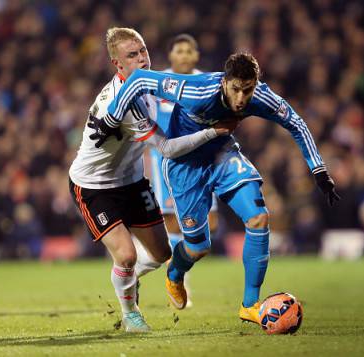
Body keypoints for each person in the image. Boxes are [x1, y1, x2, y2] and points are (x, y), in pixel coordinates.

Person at [89, 52, 340, 324]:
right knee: (198, 247)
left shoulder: (259, 97)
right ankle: (175, 273)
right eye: (236, 89)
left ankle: (250, 305)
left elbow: (296, 123)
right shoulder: (195, 89)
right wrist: (110, 120)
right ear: (225, 82)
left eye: (248, 90)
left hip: (222, 155)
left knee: (259, 217)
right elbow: (138, 80)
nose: (242, 98)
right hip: (184, 166)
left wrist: (319, 170)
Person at [68, 27, 236, 332]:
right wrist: (215, 131)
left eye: (143, 50)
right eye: (132, 55)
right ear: (118, 65)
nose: (142, 59)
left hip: (132, 181)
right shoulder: (123, 102)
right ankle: (130, 313)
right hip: (94, 185)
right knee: (127, 255)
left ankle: (127, 281)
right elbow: (168, 149)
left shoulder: (147, 83)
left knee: (162, 254)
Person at [147, 34, 218, 307]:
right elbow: (146, 119)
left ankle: (175, 268)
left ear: (197, 56)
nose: (185, 55)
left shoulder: (208, 81)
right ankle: (178, 279)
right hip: (168, 162)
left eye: (190, 50)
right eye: (180, 50)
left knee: (210, 225)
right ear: (171, 55)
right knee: (173, 221)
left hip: (202, 160)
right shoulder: (159, 83)